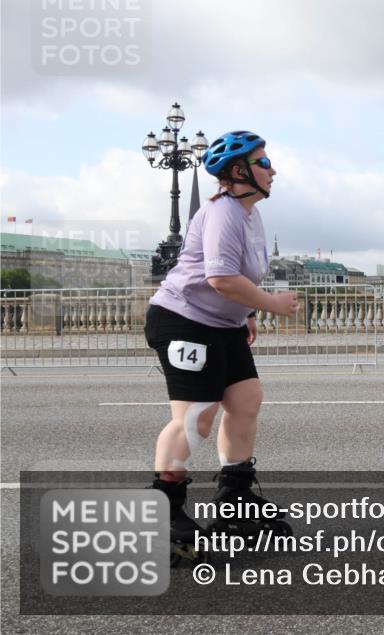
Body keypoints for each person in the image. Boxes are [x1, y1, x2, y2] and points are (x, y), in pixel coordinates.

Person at [144, 130, 298, 544]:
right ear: (238, 171)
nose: (273, 170)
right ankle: (165, 510)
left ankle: (235, 499)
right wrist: (269, 303)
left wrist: (247, 311)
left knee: (246, 401)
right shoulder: (224, 212)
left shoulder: (250, 214)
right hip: (184, 319)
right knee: (197, 418)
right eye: (264, 163)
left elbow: (241, 275)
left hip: (222, 324)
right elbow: (220, 276)